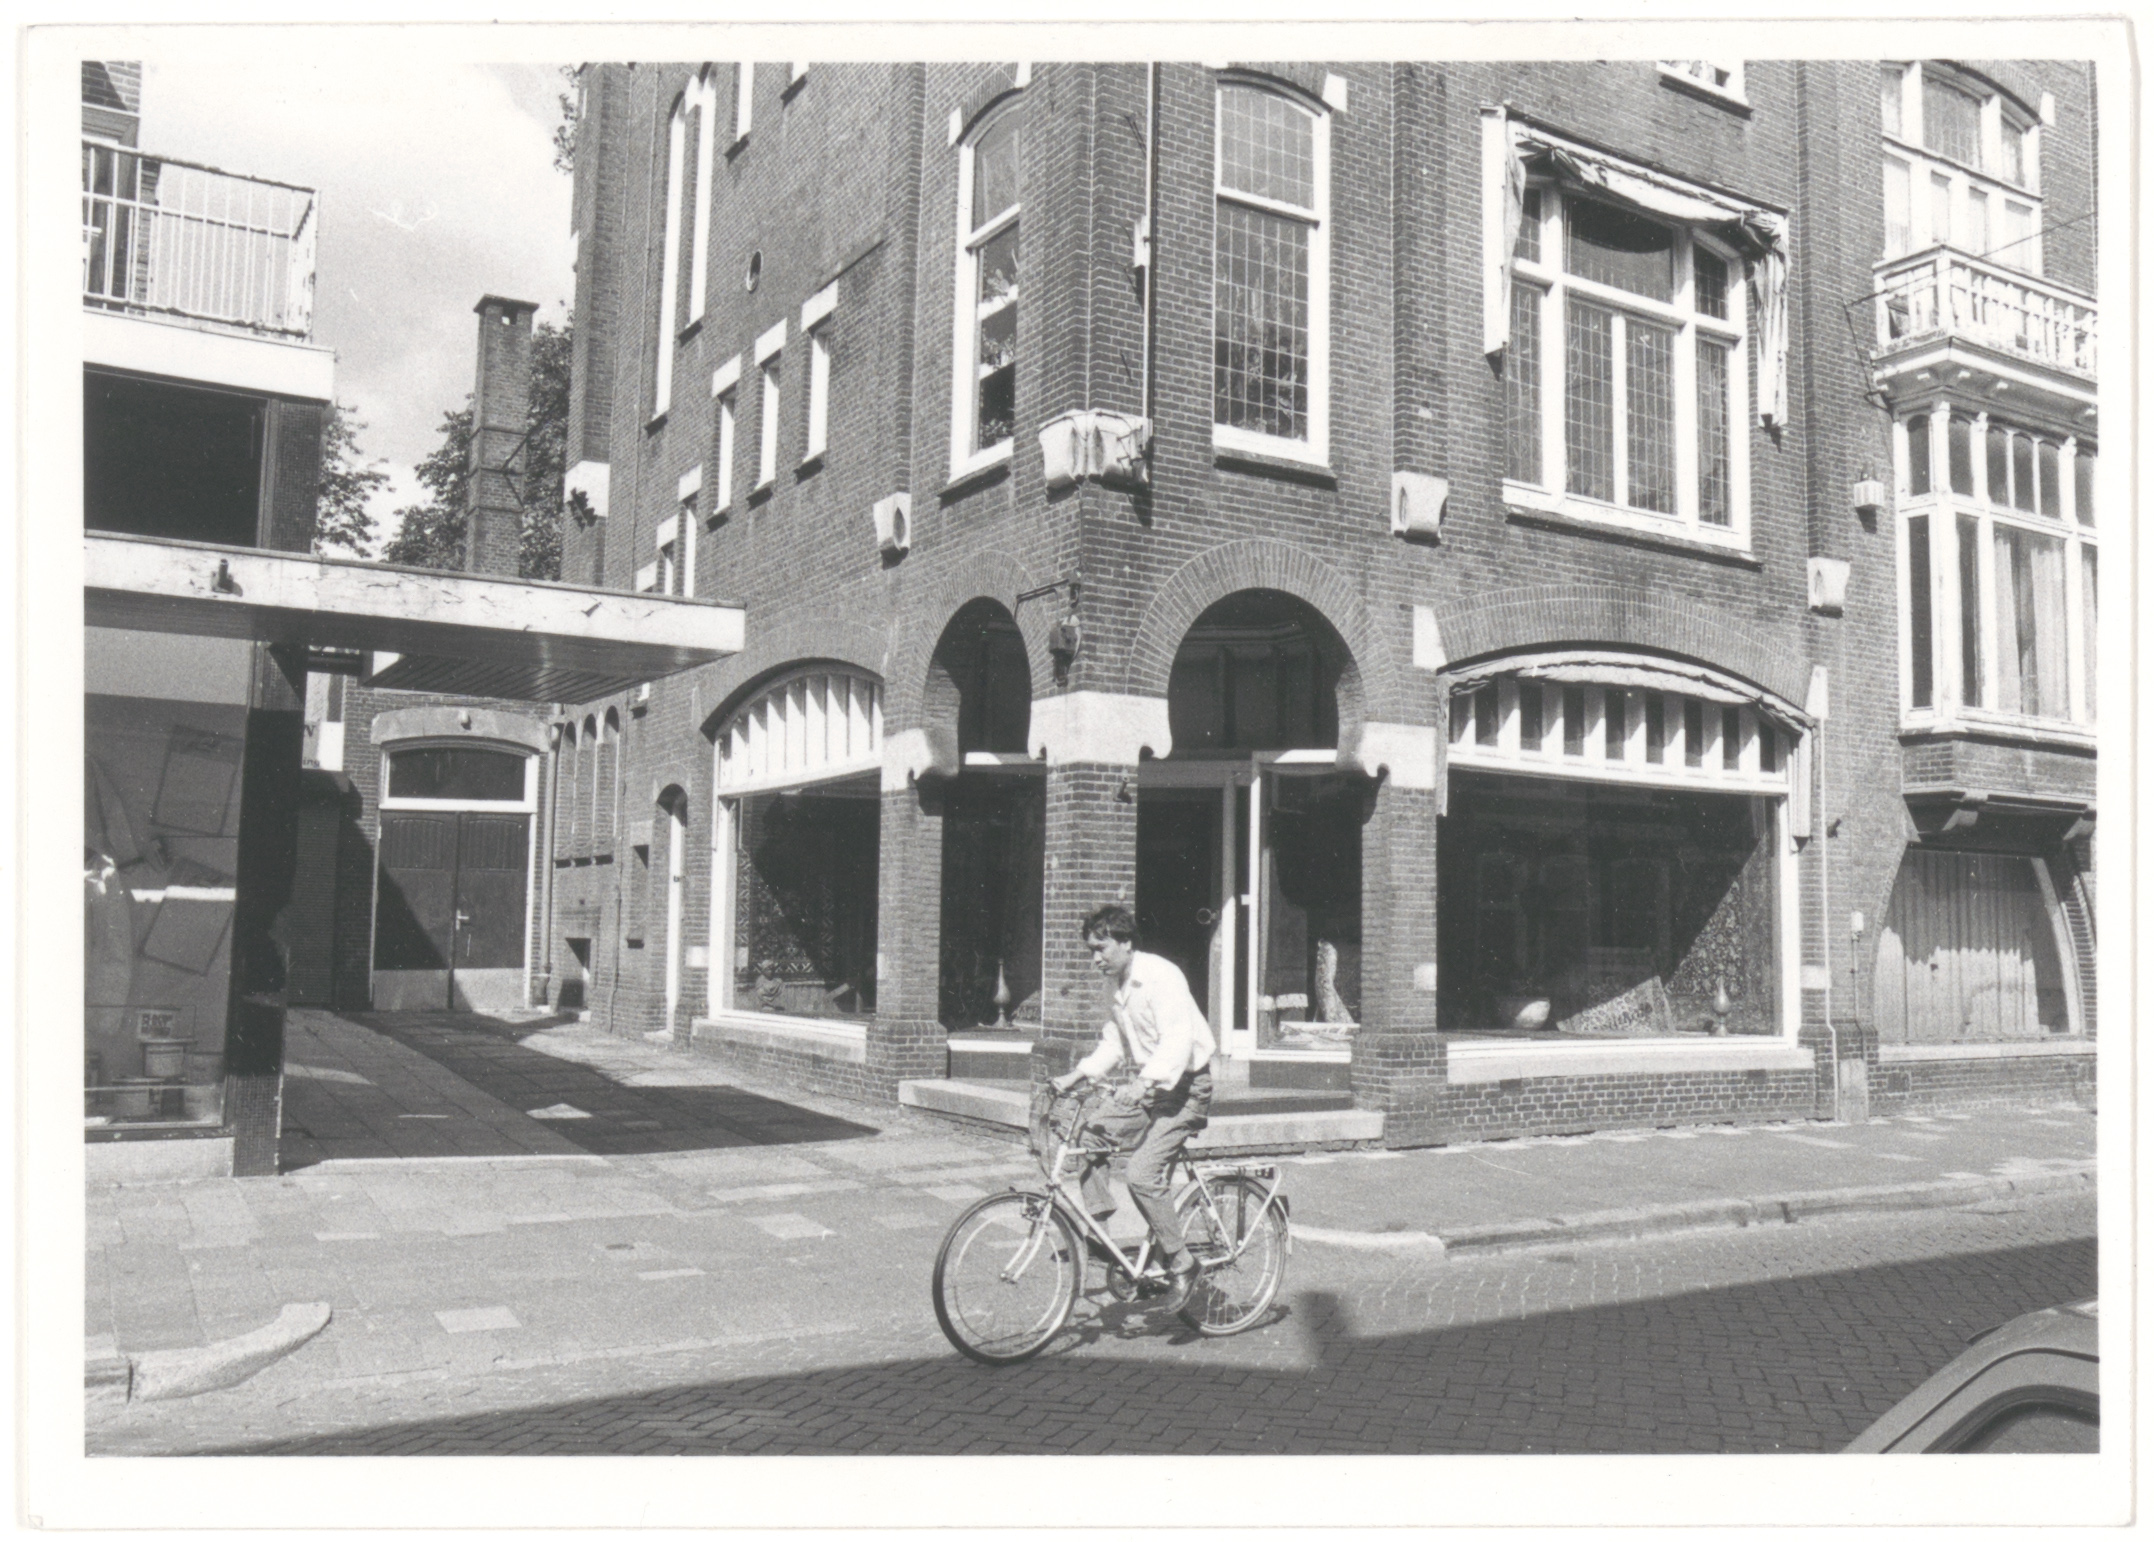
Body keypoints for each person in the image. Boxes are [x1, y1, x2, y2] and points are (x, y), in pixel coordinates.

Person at [1050, 903, 1217, 1308]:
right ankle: (1100, 1234)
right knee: (1089, 1136)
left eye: (1101, 948)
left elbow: (1177, 1040)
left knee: (1141, 1174)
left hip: (1185, 1088)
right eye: (1091, 950)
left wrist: (1143, 1082)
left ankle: (1183, 1263)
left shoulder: (1161, 975)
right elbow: (1114, 1042)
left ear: (1126, 943)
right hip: (1150, 1087)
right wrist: (1077, 1075)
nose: (1095, 959)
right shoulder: (1114, 986)